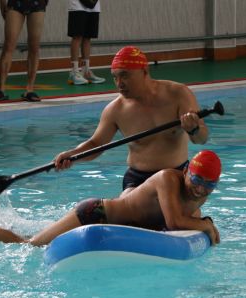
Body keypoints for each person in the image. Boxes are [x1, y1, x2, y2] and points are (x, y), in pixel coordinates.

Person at [0, 150, 222, 246]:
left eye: (209, 185)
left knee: (32, 239)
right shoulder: (169, 178)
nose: (200, 189)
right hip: (94, 213)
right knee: (29, 245)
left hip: (114, 221)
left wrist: (201, 222)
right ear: (186, 171)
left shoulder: (197, 193)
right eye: (196, 180)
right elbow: (174, 222)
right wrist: (206, 226)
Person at [54, 46, 209, 195]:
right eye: (115, 77)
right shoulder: (115, 109)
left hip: (177, 176)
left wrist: (194, 129)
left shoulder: (178, 94)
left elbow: (202, 139)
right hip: (137, 180)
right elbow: (96, 144)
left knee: (178, 205)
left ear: (144, 71)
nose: (119, 83)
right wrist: (73, 155)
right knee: (122, 206)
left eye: (125, 75)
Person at [0, 0, 48, 102]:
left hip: (38, 3)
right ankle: (1, 88)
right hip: (16, 3)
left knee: (34, 46)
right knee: (9, 44)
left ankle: (30, 89)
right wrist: (2, 2)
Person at [67, 0, 105, 85]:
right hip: (77, 6)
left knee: (87, 37)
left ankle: (86, 71)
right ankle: (74, 72)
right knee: (77, 36)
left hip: (94, 5)